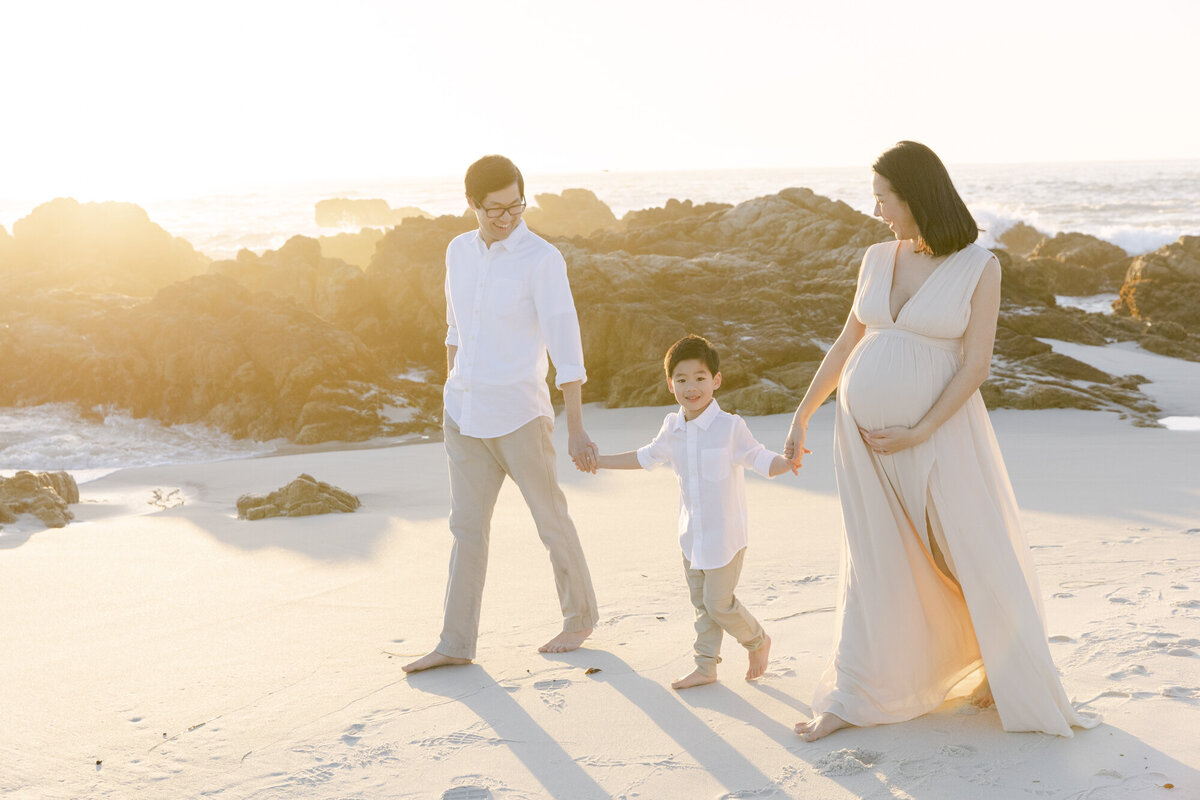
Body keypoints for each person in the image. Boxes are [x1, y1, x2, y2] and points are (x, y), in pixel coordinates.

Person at [784, 141, 1101, 740]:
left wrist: (920, 429)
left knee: (965, 550)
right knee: (875, 558)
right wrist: (803, 415)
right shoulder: (877, 257)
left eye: (884, 198)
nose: (876, 210)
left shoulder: (979, 266)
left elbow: (975, 366)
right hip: (862, 442)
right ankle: (855, 694)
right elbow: (846, 342)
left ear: (916, 196)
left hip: (938, 432)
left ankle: (998, 668)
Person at [404, 155, 600, 673]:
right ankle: (455, 642)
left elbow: (567, 346)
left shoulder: (542, 258)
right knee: (466, 530)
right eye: (495, 210)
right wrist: (451, 384)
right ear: (472, 205)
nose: (508, 218)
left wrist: (576, 427)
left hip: (519, 414)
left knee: (550, 520)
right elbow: (454, 328)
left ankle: (579, 617)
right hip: (464, 413)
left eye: (516, 206)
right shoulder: (457, 252)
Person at [594, 335, 799, 689]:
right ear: (670, 384)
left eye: (700, 378)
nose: (692, 387)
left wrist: (787, 462)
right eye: (682, 379)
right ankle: (706, 667)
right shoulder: (672, 428)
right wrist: (599, 461)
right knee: (702, 606)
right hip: (692, 537)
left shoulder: (730, 426)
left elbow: (759, 458)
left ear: (716, 381)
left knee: (719, 604)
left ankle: (758, 641)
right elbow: (645, 457)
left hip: (725, 538)